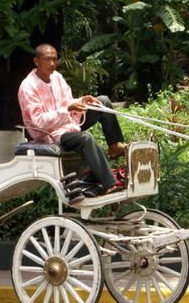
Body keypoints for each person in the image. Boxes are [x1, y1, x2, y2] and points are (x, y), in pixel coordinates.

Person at [18, 44, 126, 194]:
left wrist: (82, 100)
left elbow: (67, 101)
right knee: (85, 138)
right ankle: (110, 185)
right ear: (36, 61)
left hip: (69, 122)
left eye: (55, 59)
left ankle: (114, 148)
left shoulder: (57, 77)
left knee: (103, 102)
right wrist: (67, 110)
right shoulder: (28, 87)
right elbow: (38, 121)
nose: (52, 64)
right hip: (50, 134)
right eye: (47, 59)